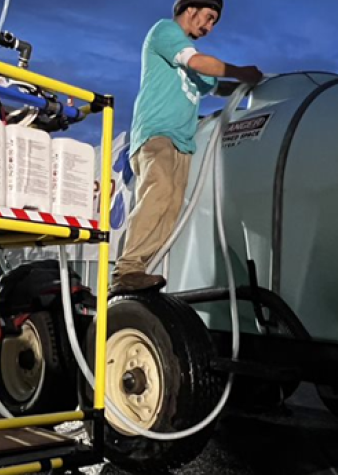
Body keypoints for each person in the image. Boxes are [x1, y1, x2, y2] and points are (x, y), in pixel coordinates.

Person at [110, 0, 263, 294]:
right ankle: (127, 269)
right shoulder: (165, 32)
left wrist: (257, 86)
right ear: (190, 9)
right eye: (208, 18)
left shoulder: (197, 62)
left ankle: (138, 274)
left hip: (183, 141)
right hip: (158, 134)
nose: (209, 27)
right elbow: (197, 63)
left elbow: (216, 87)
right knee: (160, 192)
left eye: (214, 22)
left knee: (170, 209)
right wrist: (239, 71)